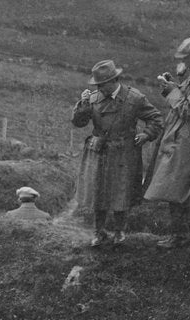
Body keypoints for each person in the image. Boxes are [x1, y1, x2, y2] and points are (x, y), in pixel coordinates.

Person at [72, 59, 162, 247]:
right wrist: (83, 104)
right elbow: (79, 122)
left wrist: (146, 135)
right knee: (98, 194)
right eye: (97, 84)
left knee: (121, 193)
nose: (99, 88)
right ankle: (99, 232)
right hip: (100, 153)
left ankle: (120, 232)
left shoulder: (134, 98)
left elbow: (156, 119)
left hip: (124, 153)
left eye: (102, 84)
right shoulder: (94, 99)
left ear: (114, 80)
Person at [144, 36, 190, 249]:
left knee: (176, 187)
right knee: (187, 188)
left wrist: (170, 91)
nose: (184, 61)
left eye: (187, 57)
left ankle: (181, 237)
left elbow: (188, 111)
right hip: (186, 138)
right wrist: (174, 86)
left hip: (188, 140)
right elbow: (187, 99)